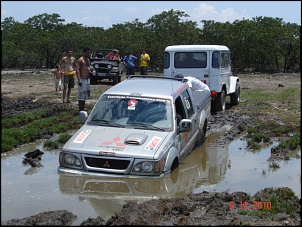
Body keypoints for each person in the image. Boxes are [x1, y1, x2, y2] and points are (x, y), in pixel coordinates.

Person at [76, 46, 92, 112]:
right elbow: (77, 69)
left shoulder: (88, 60)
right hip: (82, 79)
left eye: (89, 52)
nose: (89, 54)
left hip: (87, 79)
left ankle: (83, 108)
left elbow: (87, 68)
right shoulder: (80, 60)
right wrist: (79, 79)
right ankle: (80, 109)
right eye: (87, 52)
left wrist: (90, 72)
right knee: (81, 95)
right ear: (84, 52)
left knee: (85, 94)